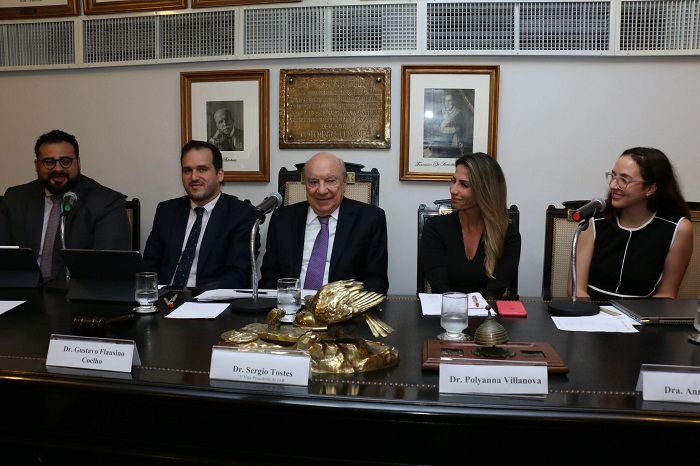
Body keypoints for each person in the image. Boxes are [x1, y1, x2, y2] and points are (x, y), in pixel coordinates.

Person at [0, 129, 130, 282]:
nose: (58, 169)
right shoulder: (15, 198)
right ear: (36, 165)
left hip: (78, 291)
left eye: (65, 161)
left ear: (78, 162)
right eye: (49, 162)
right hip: (22, 289)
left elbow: (108, 266)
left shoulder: (107, 202)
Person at [259, 152, 389, 294]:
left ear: (344, 183)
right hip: (290, 304)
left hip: (344, 305)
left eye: (331, 181)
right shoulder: (282, 219)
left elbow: (376, 281)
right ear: (305, 184)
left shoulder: (370, 219)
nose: (321, 190)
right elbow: (269, 277)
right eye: (313, 182)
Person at [574, 147, 693, 300]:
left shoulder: (678, 229)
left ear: (650, 188)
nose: (613, 185)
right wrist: (593, 313)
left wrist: (639, 315)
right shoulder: (593, 220)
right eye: (613, 176)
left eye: (624, 180)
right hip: (592, 308)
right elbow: (576, 290)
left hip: (644, 311)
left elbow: (667, 293)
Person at [143, 140, 257, 289]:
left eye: (202, 169)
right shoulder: (166, 211)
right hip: (164, 296)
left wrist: (194, 297)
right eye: (187, 170)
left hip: (209, 299)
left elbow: (238, 275)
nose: (194, 177)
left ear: (220, 175)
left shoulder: (241, 215)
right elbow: (148, 267)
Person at [421, 152, 521, 297]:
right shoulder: (435, 228)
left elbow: (494, 293)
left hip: (488, 309)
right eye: (453, 181)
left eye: (464, 185)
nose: (453, 189)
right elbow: (439, 287)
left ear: (485, 191)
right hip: (446, 308)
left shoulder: (508, 235)